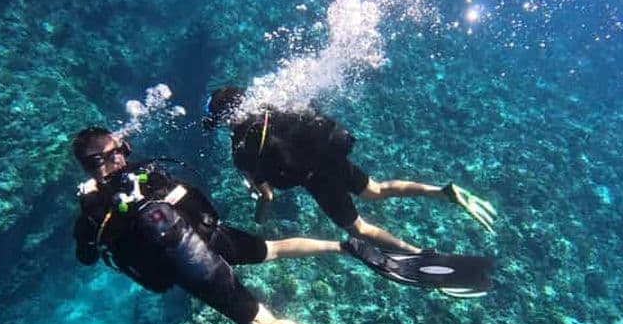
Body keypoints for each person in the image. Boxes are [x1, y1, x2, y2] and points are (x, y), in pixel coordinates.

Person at [71, 127, 505, 324]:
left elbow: (88, 257)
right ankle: (345, 246)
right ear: (115, 152)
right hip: (219, 238)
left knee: (268, 323)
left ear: (89, 166)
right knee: (277, 249)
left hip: (197, 273)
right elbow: (202, 204)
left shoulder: (92, 212)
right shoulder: (151, 175)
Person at [204, 87, 498, 254]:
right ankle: (443, 191)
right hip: (331, 157)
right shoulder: (272, 104)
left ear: (223, 120)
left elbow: (267, 198)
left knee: (359, 229)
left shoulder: (241, 152)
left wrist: (259, 216)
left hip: (317, 180)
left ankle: (418, 254)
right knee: (378, 190)